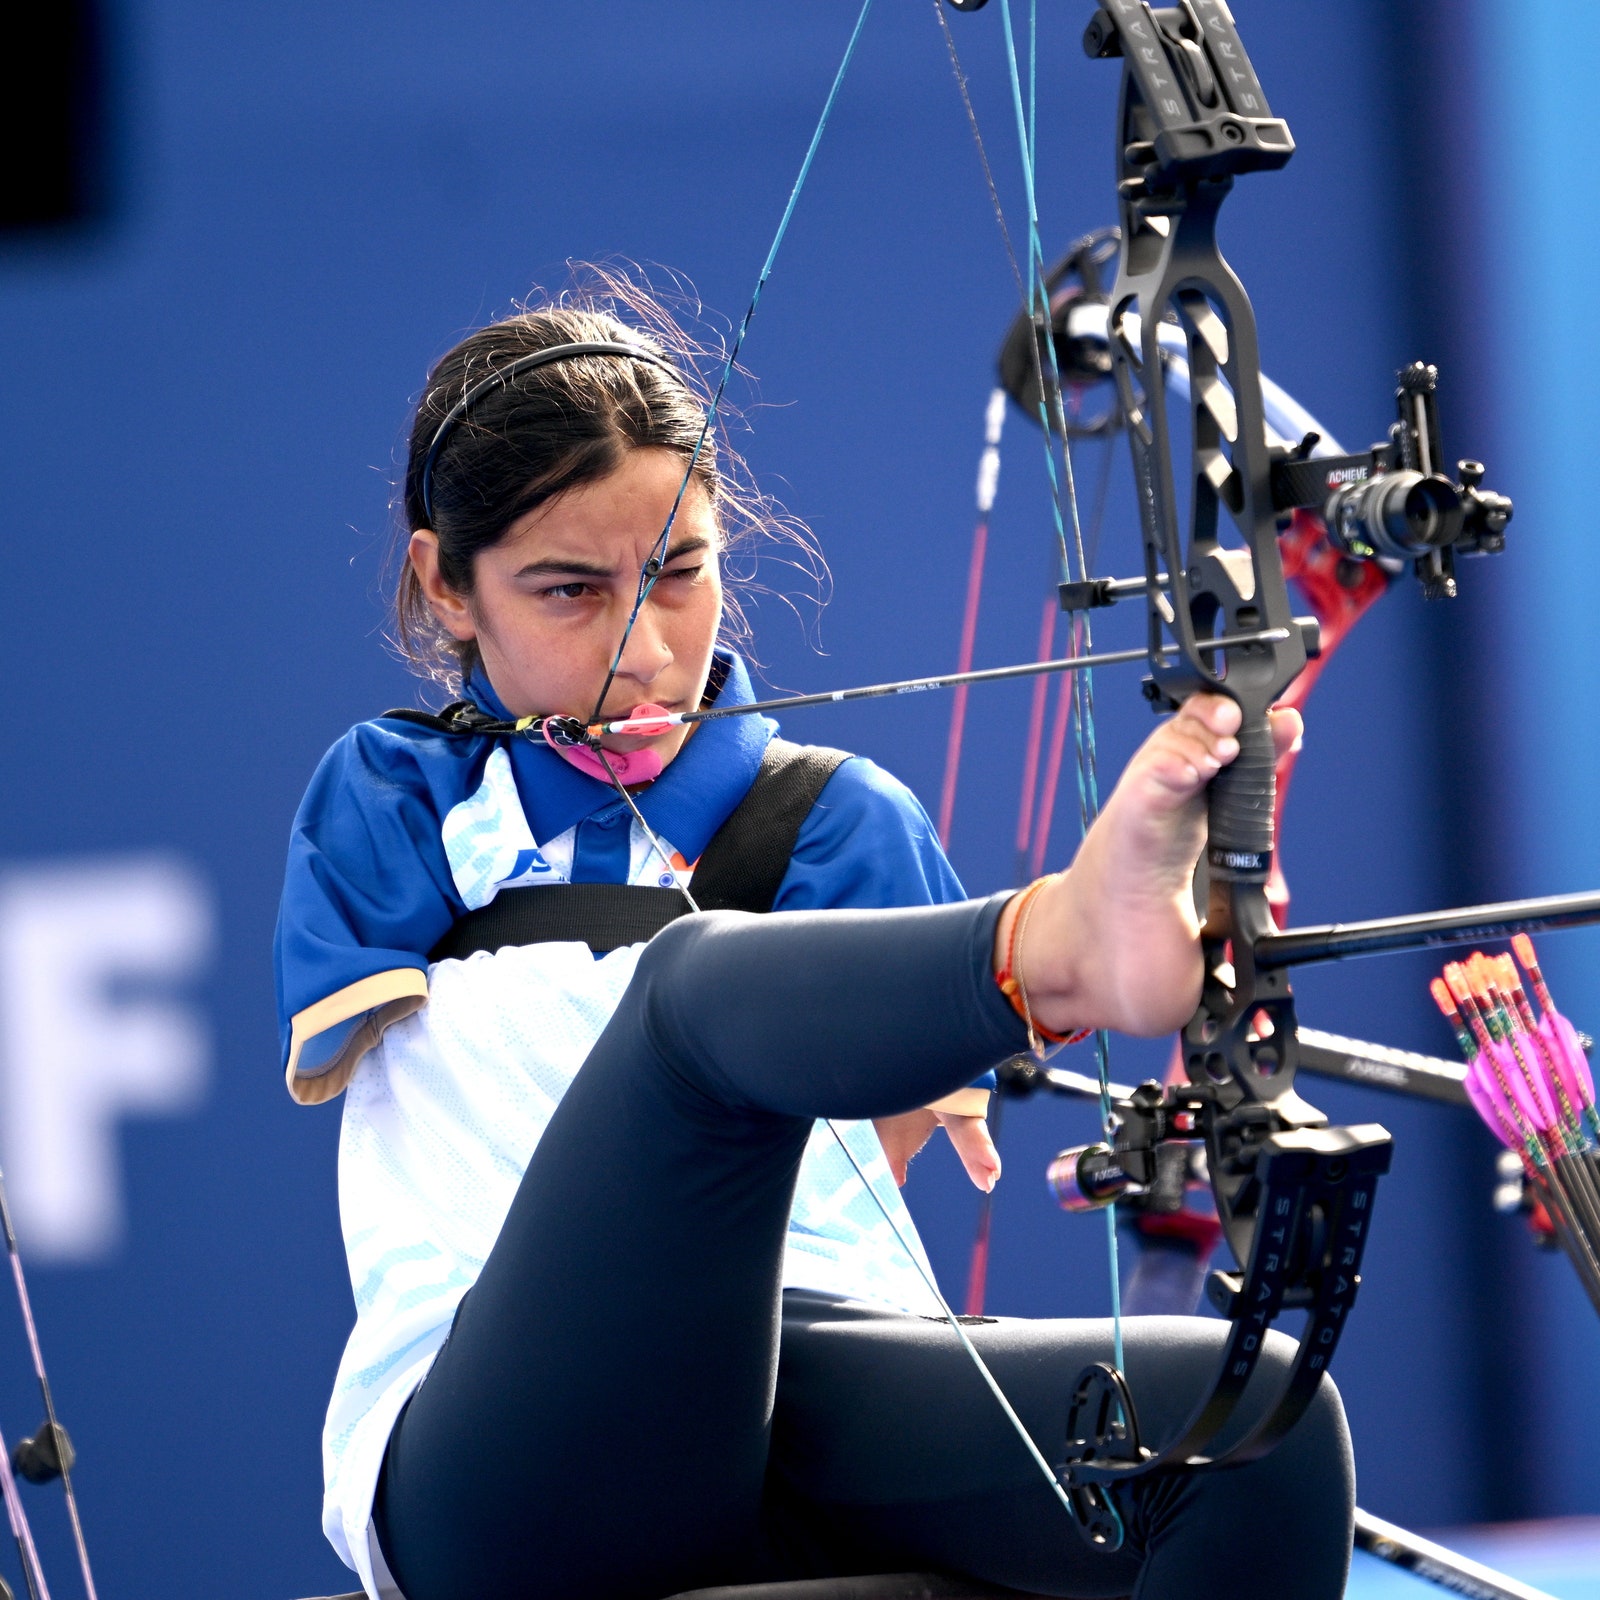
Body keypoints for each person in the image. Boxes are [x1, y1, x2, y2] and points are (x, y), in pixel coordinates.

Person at [275, 276, 1349, 1600]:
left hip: (807, 1402)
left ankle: (1066, 946)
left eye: (680, 574)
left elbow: (871, 1172)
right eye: (566, 591)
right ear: (446, 586)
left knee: (1252, 1424)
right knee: (694, 1005)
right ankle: (1064, 947)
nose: (643, 654)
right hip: (498, 1469)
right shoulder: (392, 799)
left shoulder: (842, 818)